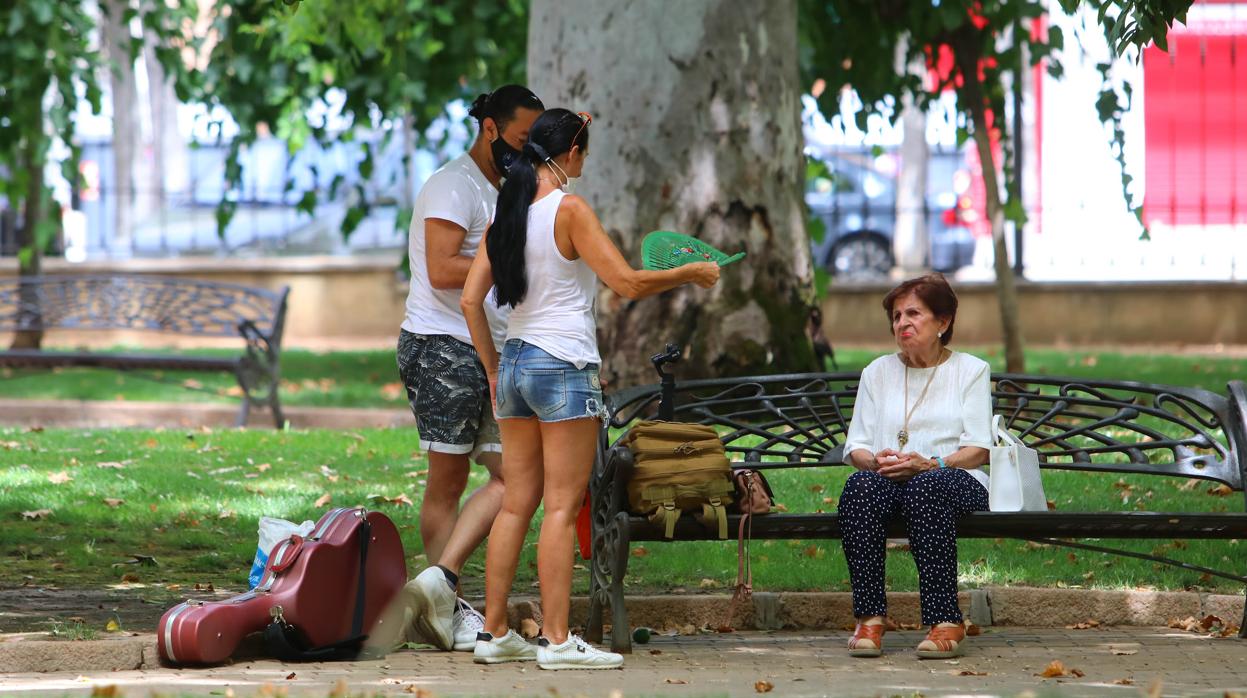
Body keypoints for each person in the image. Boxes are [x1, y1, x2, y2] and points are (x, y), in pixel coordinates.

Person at [460, 108, 720, 669]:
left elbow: (468, 300)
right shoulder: (569, 209)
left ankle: (494, 633)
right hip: (561, 364)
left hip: (516, 364)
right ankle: (556, 641)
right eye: (586, 151)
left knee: (515, 506)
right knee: (559, 506)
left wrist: (491, 367)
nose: (586, 161)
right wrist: (690, 272)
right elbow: (625, 282)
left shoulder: (507, 211)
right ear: (570, 155)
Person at [395, 85, 544, 652]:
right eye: (523, 140)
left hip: (488, 348)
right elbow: (438, 268)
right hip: (441, 346)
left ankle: (441, 587)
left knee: (513, 476)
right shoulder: (453, 185)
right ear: (491, 130)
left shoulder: (505, 186)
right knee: (448, 482)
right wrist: (508, 261)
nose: (528, 153)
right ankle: (447, 613)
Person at [838, 273, 992, 659]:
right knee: (859, 487)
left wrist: (932, 464)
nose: (902, 323)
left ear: (943, 322)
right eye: (896, 316)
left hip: (958, 478)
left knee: (927, 487)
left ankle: (946, 620)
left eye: (913, 314)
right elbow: (856, 445)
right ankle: (870, 618)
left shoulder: (970, 370)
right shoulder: (877, 372)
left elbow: (978, 448)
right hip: (890, 479)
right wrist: (877, 462)